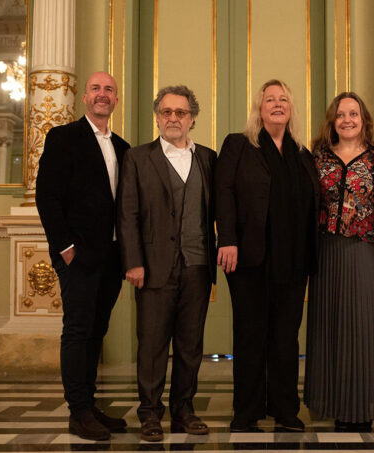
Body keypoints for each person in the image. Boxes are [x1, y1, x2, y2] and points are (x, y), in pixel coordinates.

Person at [215, 79, 319, 432]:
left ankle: (285, 410)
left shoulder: (304, 154)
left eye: (284, 99)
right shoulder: (239, 145)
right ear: (259, 108)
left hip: (293, 261)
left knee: (286, 338)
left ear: (291, 108)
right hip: (247, 258)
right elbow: (223, 192)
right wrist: (226, 239)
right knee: (249, 335)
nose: (277, 104)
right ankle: (246, 412)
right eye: (270, 99)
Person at [117, 85, 217, 442]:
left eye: (181, 112)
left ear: (192, 118)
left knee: (190, 345)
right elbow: (127, 213)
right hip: (153, 266)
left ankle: (184, 410)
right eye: (166, 112)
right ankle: (149, 413)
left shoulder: (208, 157)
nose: (173, 118)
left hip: (198, 265)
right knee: (153, 344)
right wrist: (133, 262)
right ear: (158, 117)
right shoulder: (137, 158)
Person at [36, 71, 130, 441]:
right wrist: (65, 249)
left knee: (97, 331)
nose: (102, 94)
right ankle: (77, 411)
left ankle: (89, 406)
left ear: (116, 100)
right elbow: (48, 197)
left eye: (109, 89)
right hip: (78, 255)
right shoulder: (64, 138)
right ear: (85, 98)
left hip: (111, 256)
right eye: (96, 89)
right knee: (77, 331)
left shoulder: (123, 147)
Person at [304, 92, 374, 432]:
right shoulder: (316, 158)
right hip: (325, 250)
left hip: (363, 248)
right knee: (330, 324)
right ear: (332, 121)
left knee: (363, 324)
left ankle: (361, 405)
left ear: (364, 119)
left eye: (354, 113)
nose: (347, 119)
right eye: (341, 115)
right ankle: (334, 403)